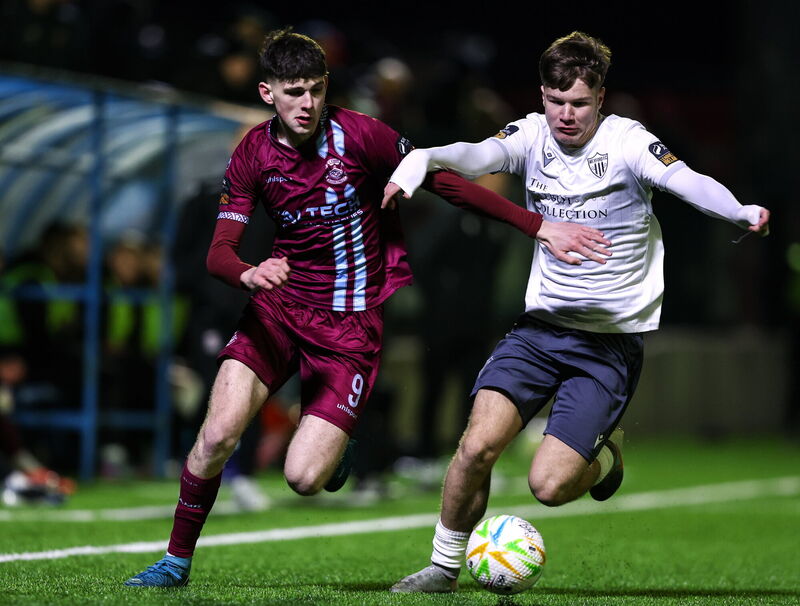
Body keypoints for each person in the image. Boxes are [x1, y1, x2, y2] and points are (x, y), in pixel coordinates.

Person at [123, 27, 609, 588]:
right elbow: (218, 254)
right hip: (277, 311)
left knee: (303, 480)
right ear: (267, 93)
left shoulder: (361, 137)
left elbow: (442, 181)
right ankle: (175, 561)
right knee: (216, 434)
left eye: (315, 89)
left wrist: (537, 224)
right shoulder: (253, 153)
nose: (306, 104)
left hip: (348, 329)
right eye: (293, 92)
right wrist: (248, 272)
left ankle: (341, 445)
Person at [384, 31, 771, 593]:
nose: (566, 114)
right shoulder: (531, 134)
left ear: (601, 98)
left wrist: (738, 211)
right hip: (539, 331)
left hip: (607, 345)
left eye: (579, 103)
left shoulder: (628, 142)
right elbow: (476, 155)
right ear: (543, 95)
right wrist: (425, 156)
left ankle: (600, 460)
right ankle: (443, 569)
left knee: (549, 486)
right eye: (556, 100)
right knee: (475, 445)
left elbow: (686, 180)